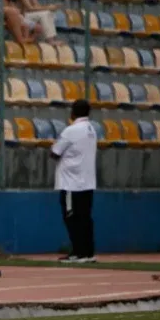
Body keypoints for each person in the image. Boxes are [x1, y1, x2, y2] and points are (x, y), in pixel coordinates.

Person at [51, 99, 97, 263]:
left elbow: (55, 152)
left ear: (73, 112)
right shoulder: (91, 129)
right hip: (87, 181)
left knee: (72, 217)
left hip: (72, 182)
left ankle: (79, 252)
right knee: (85, 217)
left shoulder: (71, 130)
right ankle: (88, 252)